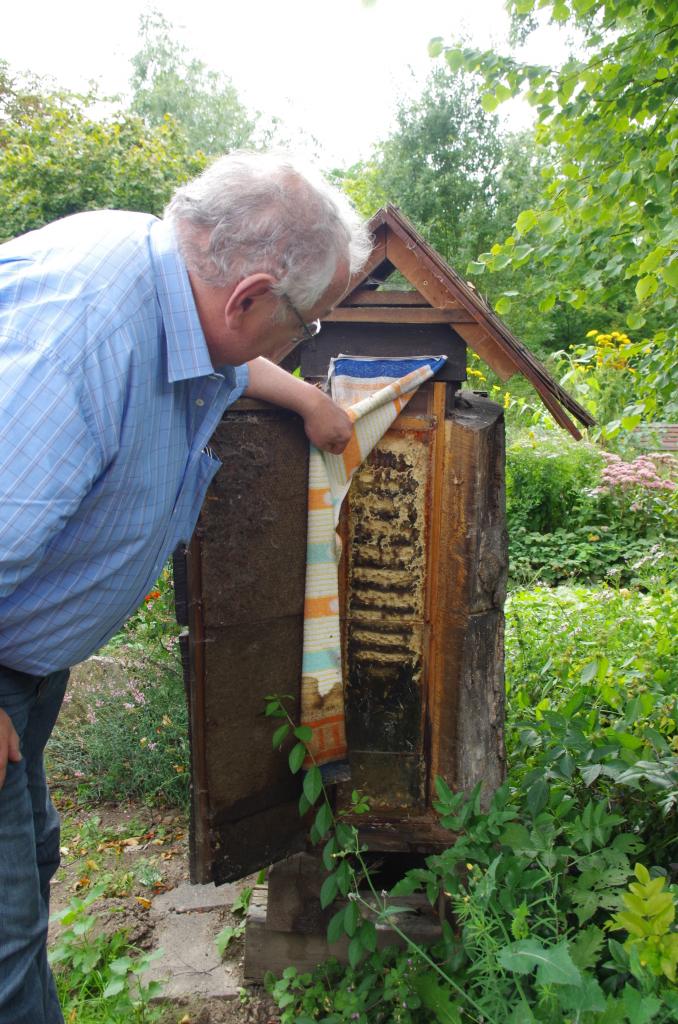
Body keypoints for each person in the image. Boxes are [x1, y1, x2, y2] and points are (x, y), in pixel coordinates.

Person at [0, 151, 372, 1024]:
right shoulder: (86, 340)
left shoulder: (169, 274)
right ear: (248, 296)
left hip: (24, 658)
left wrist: (305, 398)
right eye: (306, 326)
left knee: (35, 854)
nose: (306, 341)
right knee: (6, 951)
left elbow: (226, 356)